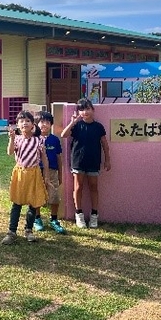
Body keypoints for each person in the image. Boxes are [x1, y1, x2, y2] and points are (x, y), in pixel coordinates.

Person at [61, 98, 111, 229]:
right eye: (81, 109)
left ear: (93, 110)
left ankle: (94, 215)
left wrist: (108, 159)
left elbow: (105, 144)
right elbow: (64, 135)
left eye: (87, 108)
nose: (85, 112)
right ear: (78, 112)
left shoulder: (99, 127)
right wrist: (72, 122)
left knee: (94, 187)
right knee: (78, 187)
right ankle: (79, 215)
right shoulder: (77, 126)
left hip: (94, 161)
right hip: (77, 161)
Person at [1, 110, 49, 244]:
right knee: (17, 203)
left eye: (27, 121)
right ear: (17, 125)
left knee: (33, 204)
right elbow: (10, 152)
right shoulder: (16, 139)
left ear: (33, 124)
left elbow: (44, 158)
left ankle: (29, 230)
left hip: (34, 173)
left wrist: (47, 176)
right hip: (20, 173)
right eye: (21, 121)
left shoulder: (39, 140)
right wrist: (11, 138)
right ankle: (11, 232)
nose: (24, 123)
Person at [31, 111, 66, 234]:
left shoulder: (55, 140)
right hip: (37, 171)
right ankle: (37, 219)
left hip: (52, 171)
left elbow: (59, 158)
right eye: (41, 122)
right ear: (36, 124)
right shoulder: (34, 139)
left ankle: (54, 219)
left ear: (51, 124)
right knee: (37, 195)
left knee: (54, 195)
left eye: (47, 122)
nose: (44, 125)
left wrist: (60, 174)